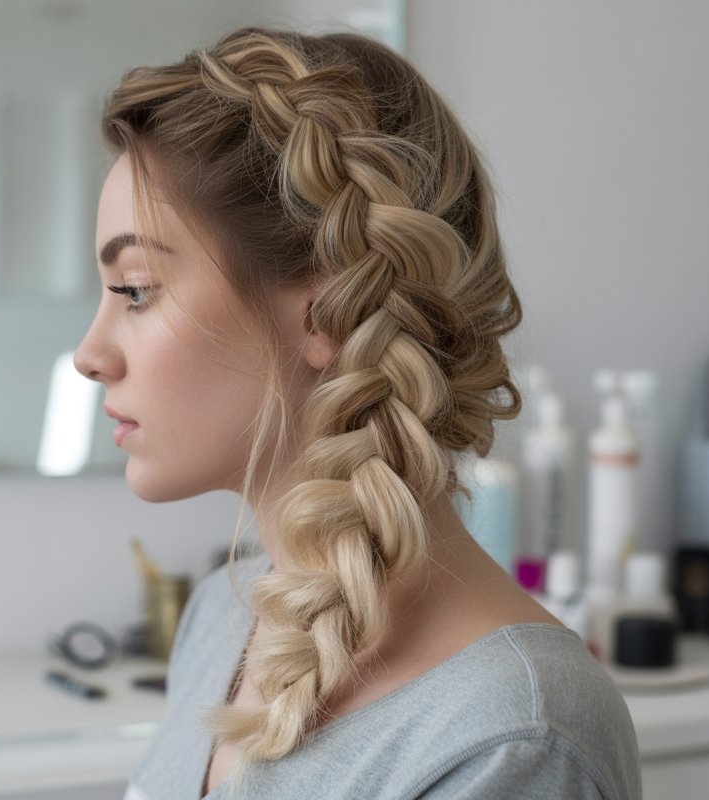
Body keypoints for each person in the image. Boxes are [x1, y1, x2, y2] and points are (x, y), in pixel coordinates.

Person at [74, 28, 640, 800]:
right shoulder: (225, 618)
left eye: (136, 289)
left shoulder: (514, 742)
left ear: (329, 313)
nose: (89, 353)